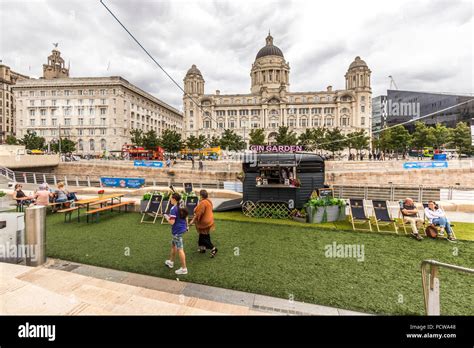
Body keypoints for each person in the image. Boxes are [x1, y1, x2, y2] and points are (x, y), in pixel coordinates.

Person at [164, 193, 189, 275]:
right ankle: (171, 262)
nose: (170, 199)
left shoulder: (173, 209)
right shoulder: (181, 206)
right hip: (181, 229)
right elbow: (186, 217)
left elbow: (172, 222)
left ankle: (184, 269)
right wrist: (187, 226)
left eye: (171, 198)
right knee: (173, 245)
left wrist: (166, 216)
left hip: (177, 231)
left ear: (174, 199)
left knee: (180, 250)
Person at [190, 190, 218, 257]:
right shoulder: (208, 201)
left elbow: (198, 213)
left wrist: (192, 221)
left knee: (203, 237)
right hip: (209, 221)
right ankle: (202, 248)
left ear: (201, 196)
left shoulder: (203, 203)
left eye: (200, 195)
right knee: (204, 235)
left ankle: (213, 248)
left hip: (204, 223)